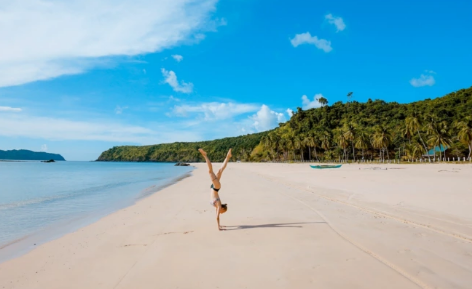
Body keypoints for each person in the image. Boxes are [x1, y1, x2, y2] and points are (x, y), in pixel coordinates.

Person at [198, 148, 232, 231]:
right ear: (223, 209)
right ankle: (205, 155)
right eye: (223, 212)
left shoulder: (217, 207)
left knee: (220, 170)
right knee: (210, 171)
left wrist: (220, 226)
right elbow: (217, 217)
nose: (221, 213)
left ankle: (228, 157)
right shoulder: (219, 206)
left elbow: (217, 217)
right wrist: (218, 227)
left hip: (215, 187)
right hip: (216, 187)